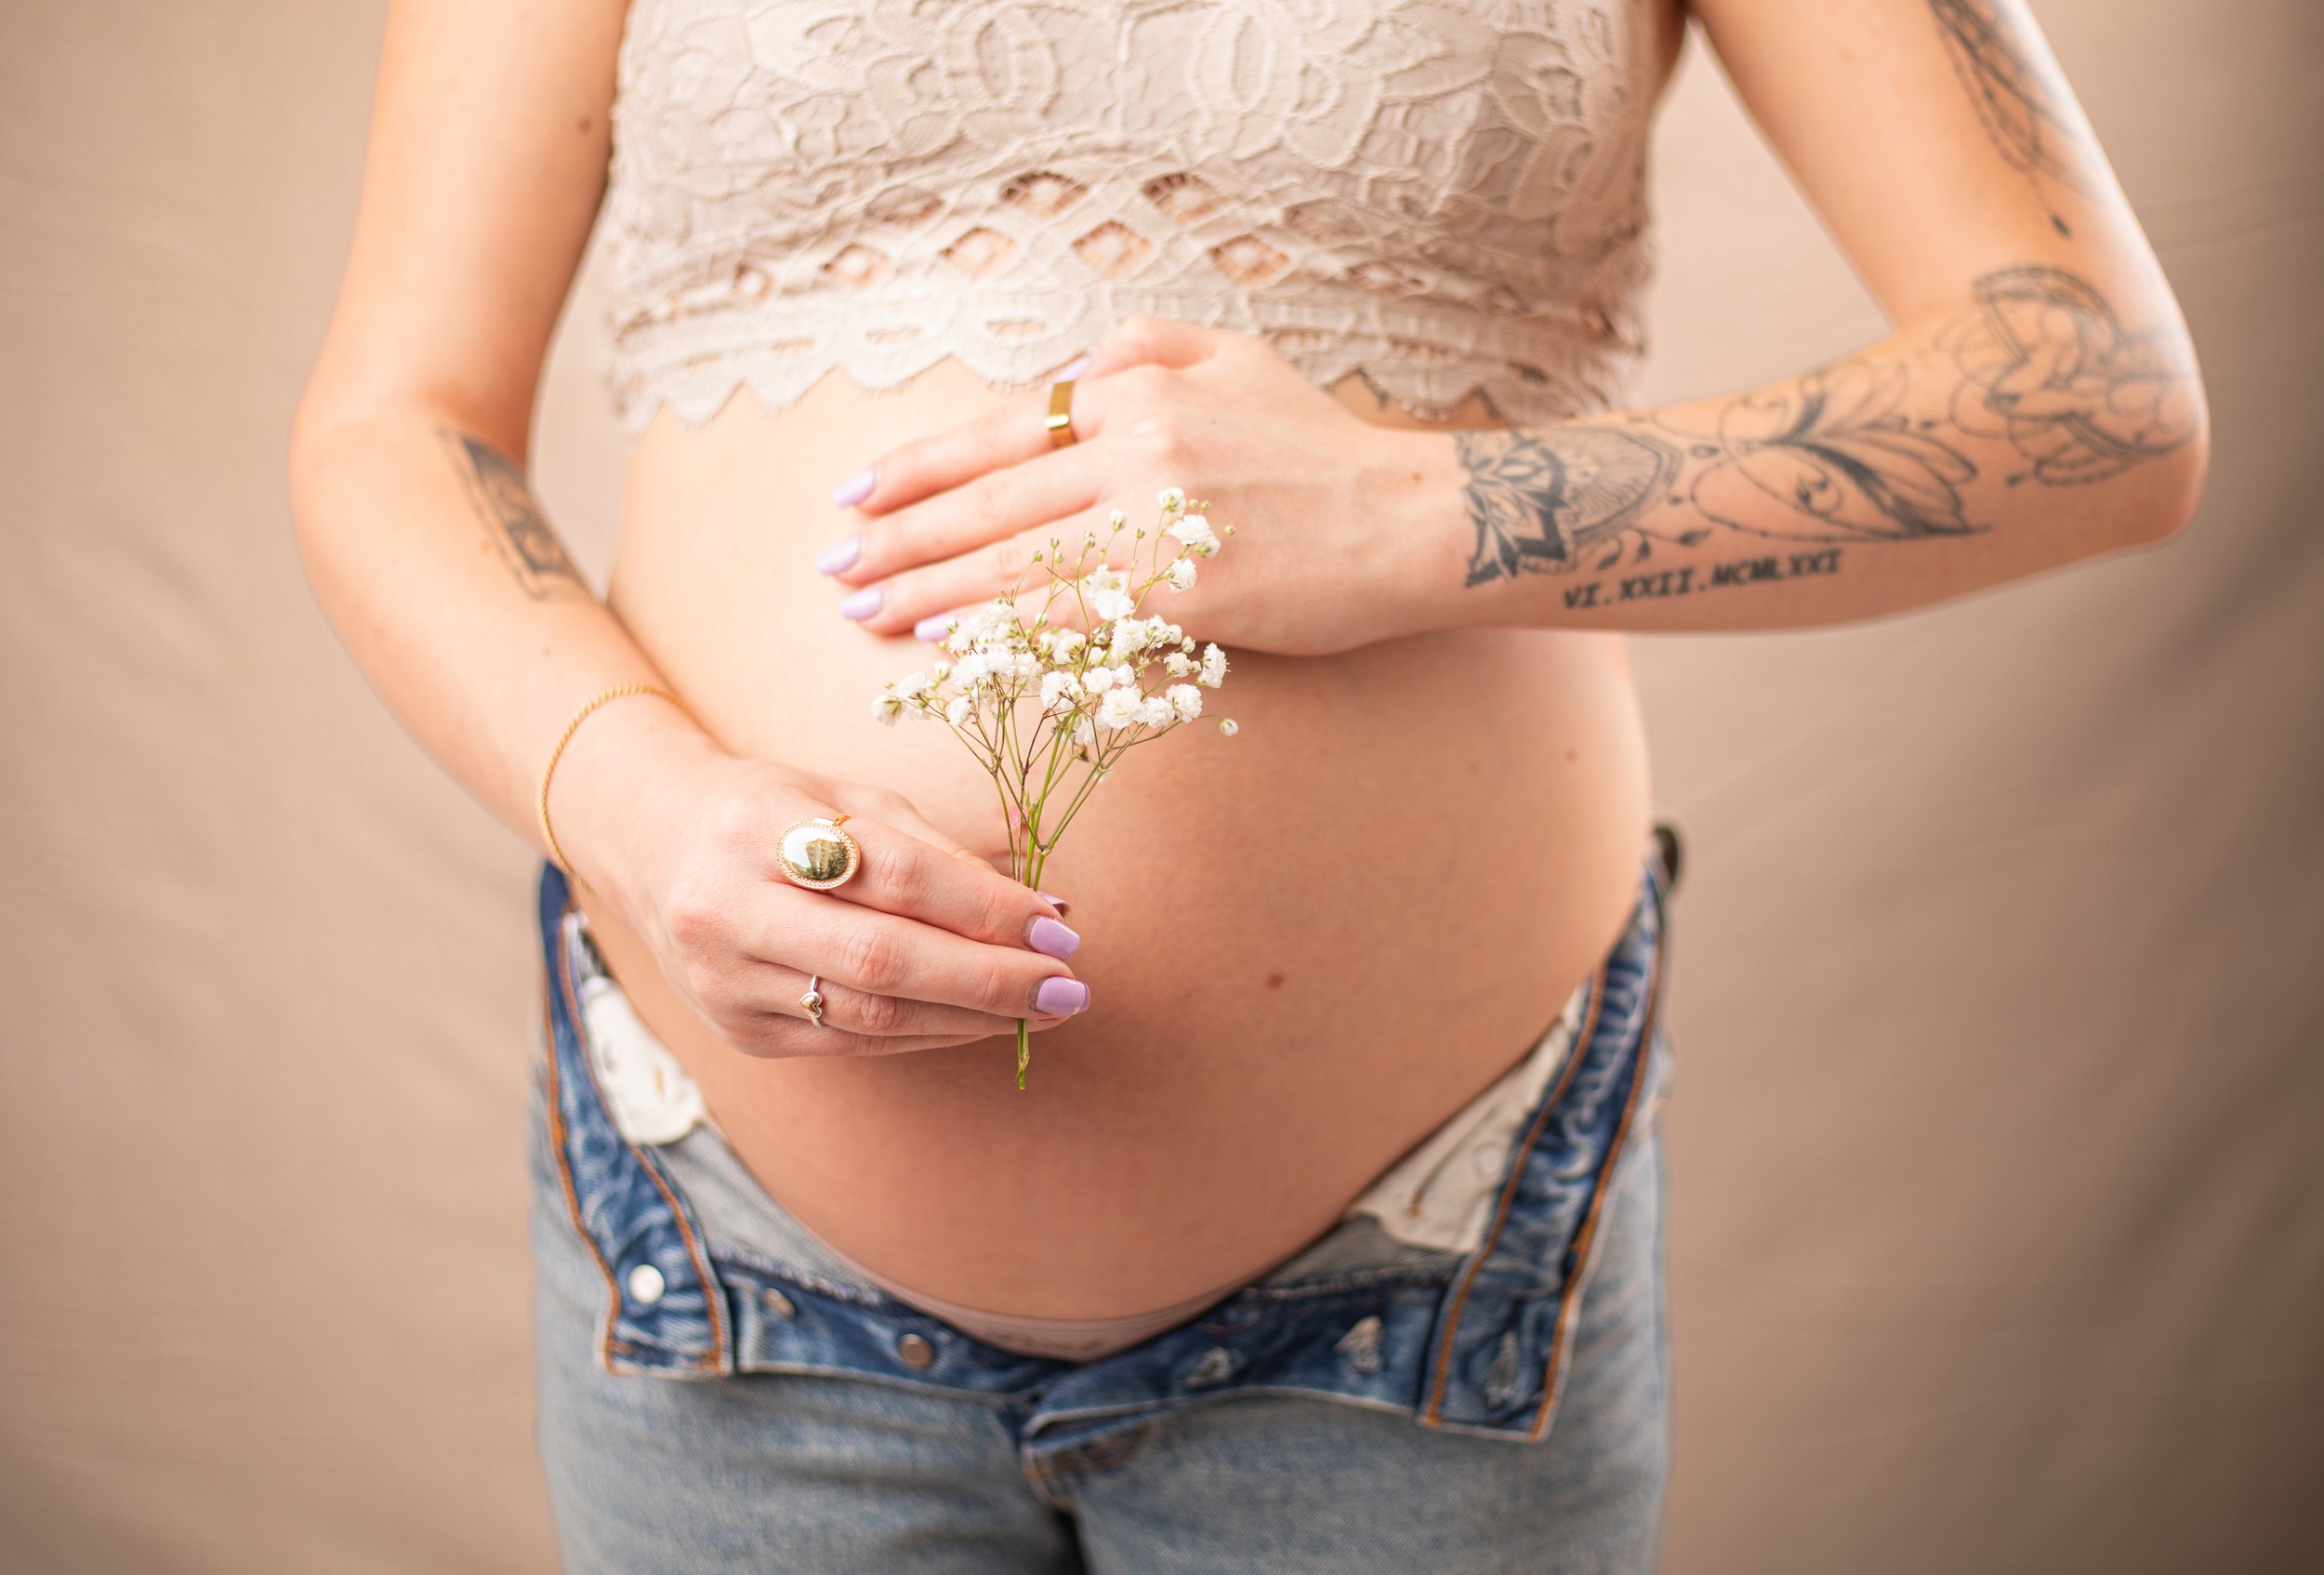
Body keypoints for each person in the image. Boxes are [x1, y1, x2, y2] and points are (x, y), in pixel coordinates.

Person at [288, 0, 2207, 1568]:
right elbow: (398, 417)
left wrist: (1406, 510)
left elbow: (2100, 396)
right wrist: (634, 808)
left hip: (1429, 1262)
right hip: (725, 1234)